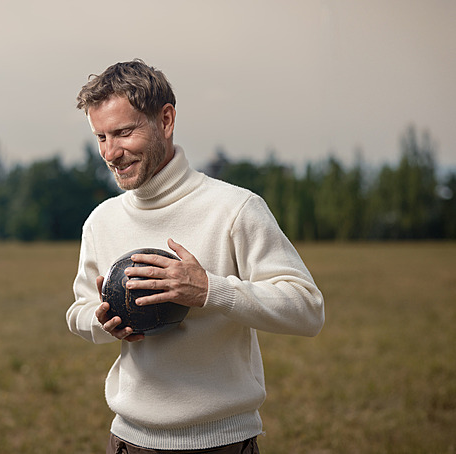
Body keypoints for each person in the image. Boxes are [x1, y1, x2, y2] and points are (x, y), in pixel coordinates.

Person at [66, 59, 325, 453]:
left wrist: (209, 289)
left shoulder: (235, 208)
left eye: (123, 132)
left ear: (165, 120)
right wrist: (103, 322)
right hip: (128, 442)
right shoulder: (102, 221)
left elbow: (307, 309)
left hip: (222, 443)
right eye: (100, 137)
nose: (111, 152)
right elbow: (79, 311)